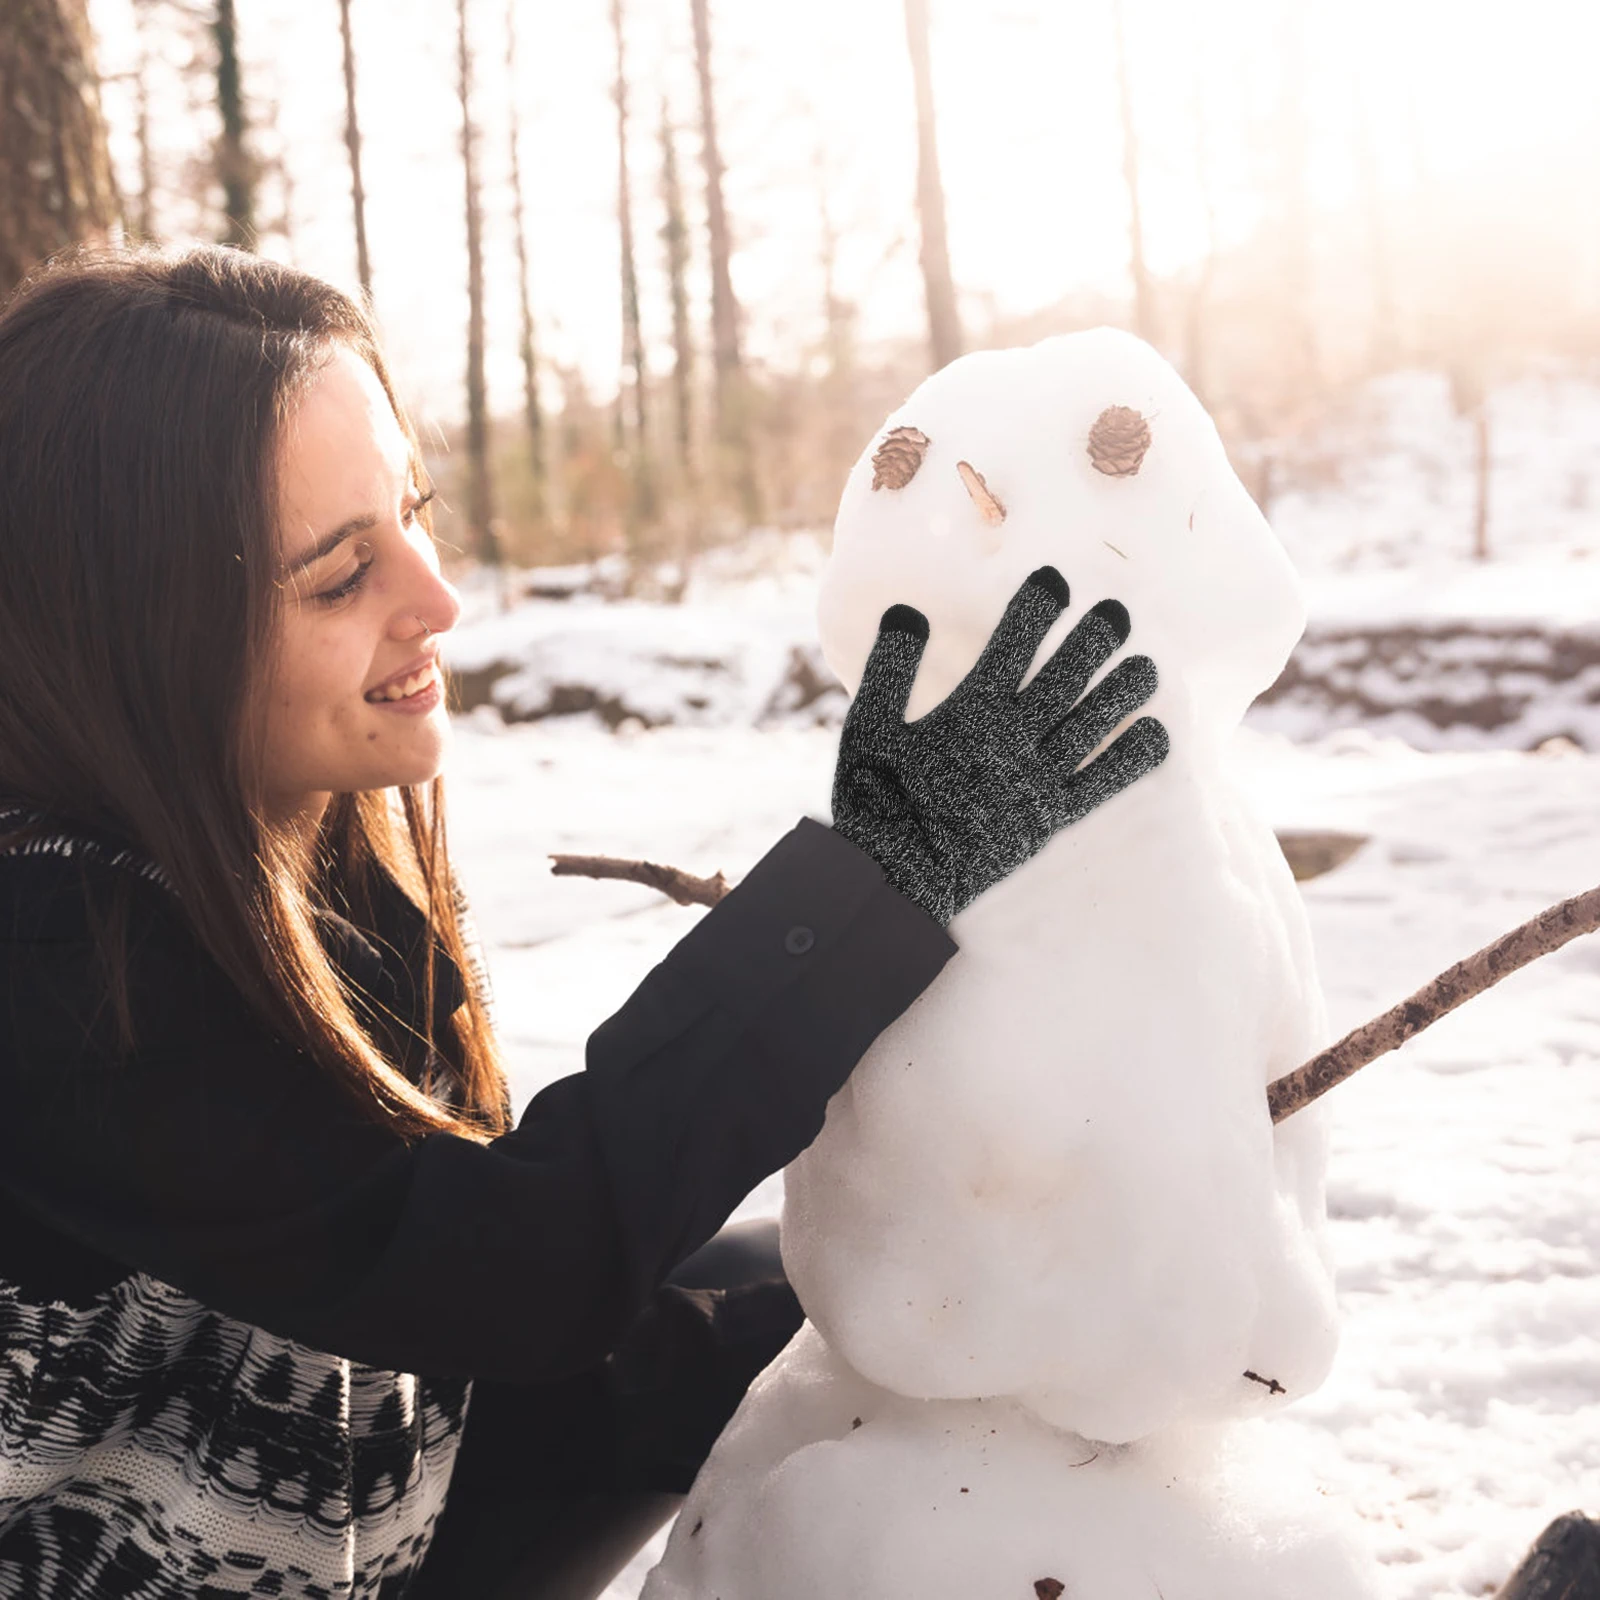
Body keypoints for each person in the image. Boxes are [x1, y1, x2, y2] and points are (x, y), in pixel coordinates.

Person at [0, 245, 1168, 1600]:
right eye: (340, 574)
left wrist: (880, 1335)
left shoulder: (291, 825)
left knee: (831, 1302)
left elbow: (431, 1296)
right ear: (131, 635)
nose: (438, 598)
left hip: (350, 1476)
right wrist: (885, 870)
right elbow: (509, 1273)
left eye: (413, 514)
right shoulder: (55, 956)